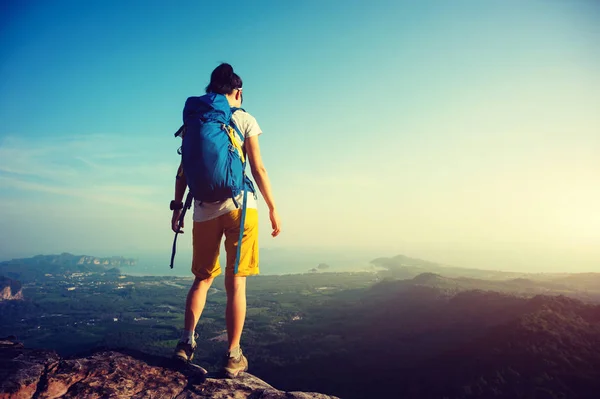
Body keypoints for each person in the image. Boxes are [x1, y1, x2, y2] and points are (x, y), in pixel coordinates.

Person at [170, 63, 281, 377]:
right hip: (240, 207)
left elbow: (183, 171)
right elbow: (258, 169)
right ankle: (233, 356)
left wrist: (178, 207)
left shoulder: (195, 118)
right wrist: (272, 206)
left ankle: (185, 343)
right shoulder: (244, 118)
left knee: (202, 279)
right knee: (236, 283)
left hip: (203, 208)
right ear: (238, 92)